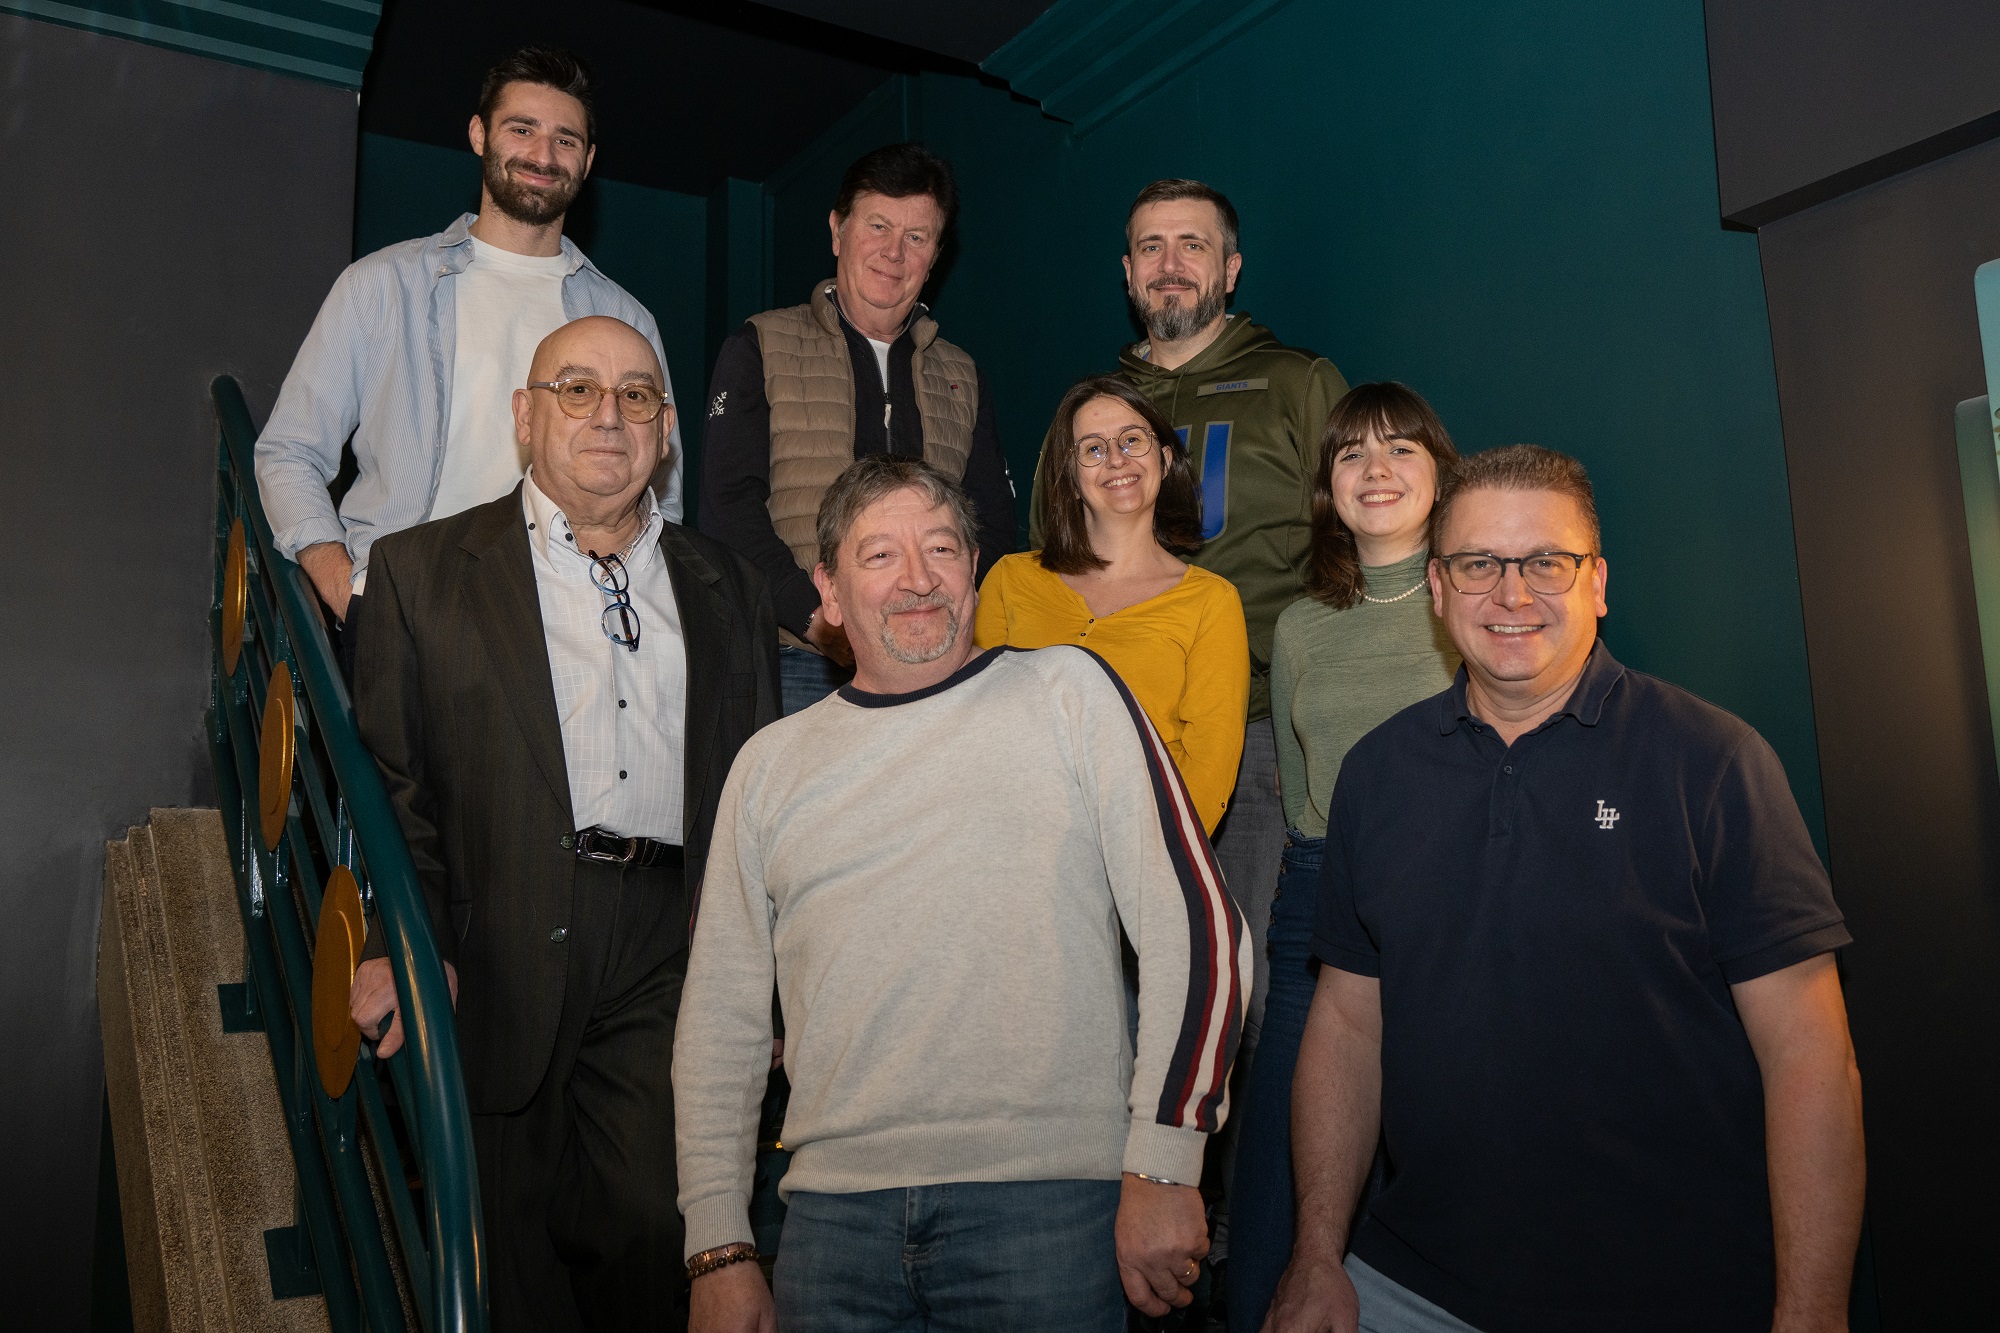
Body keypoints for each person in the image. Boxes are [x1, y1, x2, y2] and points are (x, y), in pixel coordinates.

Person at [1267, 445, 1864, 1333]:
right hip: (1413, 1286)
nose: (1512, 595)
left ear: (1598, 583)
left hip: (1674, 1293)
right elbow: (1349, 1024)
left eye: (1546, 562)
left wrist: (1811, 1313)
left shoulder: (1713, 764)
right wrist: (1317, 1254)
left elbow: (1810, 1055)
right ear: (1436, 589)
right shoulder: (1375, 774)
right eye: (1478, 564)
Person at [672, 456, 1250, 1331]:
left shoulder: (1071, 694)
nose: (918, 577)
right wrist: (717, 1245)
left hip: (1049, 1209)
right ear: (828, 592)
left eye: (941, 548)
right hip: (829, 1224)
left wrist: (1166, 1161)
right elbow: (721, 1019)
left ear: (974, 571)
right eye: (879, 555)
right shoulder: (768, 767)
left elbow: (1198, 928)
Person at [348, 316, 778, 1331]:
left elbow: (764, 803)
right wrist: (400, 941)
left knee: (655, 1228)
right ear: (523, 415)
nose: (608, 416)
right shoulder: (416, 570)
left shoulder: (730, 586)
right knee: (501, 1252)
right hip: (486, 940)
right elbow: (391, 786)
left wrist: (771, 983)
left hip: (669, 942)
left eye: (637, 395)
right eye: (576, 389)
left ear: (664, 432)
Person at [255, 47, 681, 665]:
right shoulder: (381, 286)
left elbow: (661, 498)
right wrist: (346, 591)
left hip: (571, 634)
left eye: (565, 139)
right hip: (403, 614)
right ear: (480, 135)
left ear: (588, 161)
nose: (543, 154)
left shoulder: (627, 321)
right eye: (522, 129)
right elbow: (289, 451)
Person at [1228, 382, 1462, 1331]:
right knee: (1276, 1207)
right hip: (1319, 906)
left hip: (1455, 901)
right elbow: (1299, 790)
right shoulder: (1300, 625)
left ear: (1441, 472)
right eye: (1353, 452)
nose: (1377, 469)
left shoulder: (1477, 601)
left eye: (1401, 447)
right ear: (1327, 485)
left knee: (1431, 1190)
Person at [699, 142, 1016, 716]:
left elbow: (991, 524)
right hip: (800, 664)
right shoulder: (759, 346)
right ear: (837, 231)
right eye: (877, 226)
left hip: (935, 669)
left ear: (935, 255)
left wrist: (945, 625)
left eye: (916, 237)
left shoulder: (963, 374)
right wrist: (817, 620)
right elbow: (727, 509)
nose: (894, 252)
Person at [975, 374, 1248, 833]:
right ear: (1071, 478)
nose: (1117, 458)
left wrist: (1143, 856)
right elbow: (977, 728)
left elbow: (1208, 769)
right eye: (1093, 449)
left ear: (1164, 460)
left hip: (1145, 847)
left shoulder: (1211, 602)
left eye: (1132, 440)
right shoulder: (1009, 580)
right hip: (1015, 839)